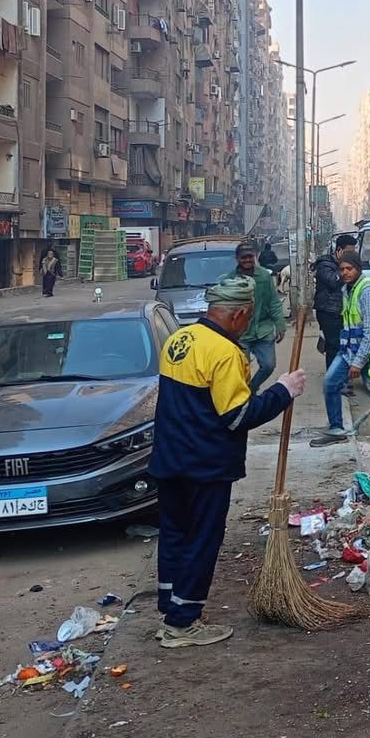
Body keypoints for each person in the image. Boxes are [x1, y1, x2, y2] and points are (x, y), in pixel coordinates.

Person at [150, 276, 307, 648]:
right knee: (202, 539)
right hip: (204, 464)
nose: (247, 324)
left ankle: (172, 608)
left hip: (170, 458)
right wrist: (283, 391)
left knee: (175, 535)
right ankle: (183, 624)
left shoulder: (180, 339)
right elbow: (237, 416)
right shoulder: (225, 352)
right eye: (248, 317)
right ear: (239, 313)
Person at [311, 250, 370, 448]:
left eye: (349, 269)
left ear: (358, 268)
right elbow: (348, 323)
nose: (344, 273)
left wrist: (358, 362)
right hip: (349, 349)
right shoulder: (347, 290)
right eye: (341, 269)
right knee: (330, 383)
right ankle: (336, 428)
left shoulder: (368, 291)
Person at [229, 241, 285, 390]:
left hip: (263, 329)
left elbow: (273, 301)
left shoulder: (264, 277)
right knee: (240, 370)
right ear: (237, 259)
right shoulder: (230, 280)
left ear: (255, 257)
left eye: (250, 257)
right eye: (243, 258)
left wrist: (280, 324)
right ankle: (243, 396)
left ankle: (252, 388)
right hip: (241, 334)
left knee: (268, 365)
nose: (247, 260)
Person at [312, 234, 356, 371]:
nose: (352, 255)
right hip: (328, 311)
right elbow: (334, 282)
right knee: (334, 346)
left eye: (353, 252)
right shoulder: (325, 265)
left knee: (343, 345)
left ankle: (339, 376)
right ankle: (333, 379)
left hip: (342, 312)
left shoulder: (345, 266)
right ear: (339, 251)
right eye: (349, 252)